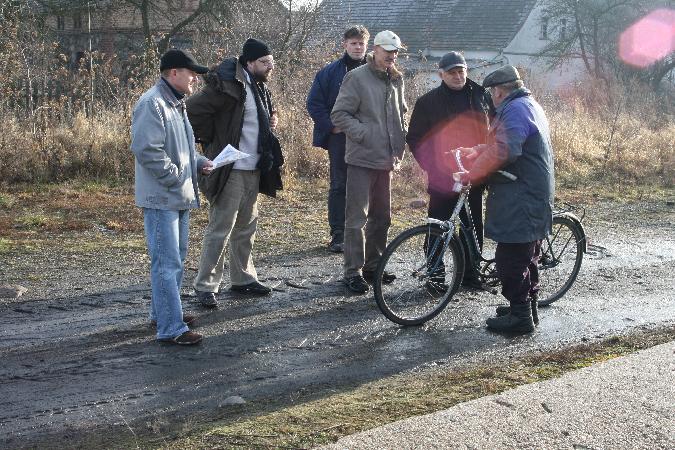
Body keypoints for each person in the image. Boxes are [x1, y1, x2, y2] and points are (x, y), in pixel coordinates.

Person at [457, 65, 555, 334]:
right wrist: (477, 151)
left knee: (510, 259)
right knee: (527, 256)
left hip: (521, 195)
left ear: (499, 91)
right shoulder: (526, 105)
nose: (491, 96)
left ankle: (521, 317)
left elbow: (506, 149)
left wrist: (473, 173)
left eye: (492, 92)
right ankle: (525, 307)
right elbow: (505, 142)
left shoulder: (515, 110)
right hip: (529, 192)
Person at [186, 38, 283, 307]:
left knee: (246, 228)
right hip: (229, 169)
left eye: (271, 62)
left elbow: (254, 121)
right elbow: (191, 112)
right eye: (264, 62)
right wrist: (212, 142)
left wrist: (271, 118)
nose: (269, 67)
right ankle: (206, 286)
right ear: (249, 62)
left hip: (254, 168)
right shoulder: (226, 86)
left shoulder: (259, 86)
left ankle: (243, 279)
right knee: (220, 228)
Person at [130, 49, 213, 345]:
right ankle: (170, 328)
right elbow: (146, 149)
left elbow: (182, 151)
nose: (195, 79)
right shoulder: (152, 103)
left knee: (174, 259)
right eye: (191, 73)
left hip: (177, 195)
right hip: (162, 197)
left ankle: (163, 314)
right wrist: (177, 177)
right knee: (167, 263)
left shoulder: (176, 104)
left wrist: (200, 162)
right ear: (174, 73)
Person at [406, 51, 491, 290]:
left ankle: (471, 275)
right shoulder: (427, 102)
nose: (457, 76)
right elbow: (415, 139)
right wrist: (433, 168)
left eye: (461, 71)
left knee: (472, 227)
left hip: (474, 174)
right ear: (440, 74)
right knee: (436, 227)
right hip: (442, 176)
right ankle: (435, 277)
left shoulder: (482, 96)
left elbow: (494, 133)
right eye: (452, 72)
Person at [331, 30, 407, 294]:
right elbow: (339, 114)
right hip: (362, 158)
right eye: (387, 50)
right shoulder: (356, 77)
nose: (392, 55)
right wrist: (365, 133)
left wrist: (399, 146)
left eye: (395, 51)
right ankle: (352, 271)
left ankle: (374, 266)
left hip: (387, 160)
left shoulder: (396, 79)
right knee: (356, 219)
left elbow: (401, 115)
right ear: (375, 49)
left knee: (382, 217)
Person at [307, 25, 370, 253]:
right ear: (345, 44)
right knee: (339, 185)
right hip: (340, 138)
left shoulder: (376, 70)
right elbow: (314, 103)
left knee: (368, 186)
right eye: (353, 43)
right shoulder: (330, 72)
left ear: (366, 45)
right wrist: (331, 127)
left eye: (361, 43)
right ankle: (338, 235)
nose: (357, 47)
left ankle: (364, 233)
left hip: (369, 140)